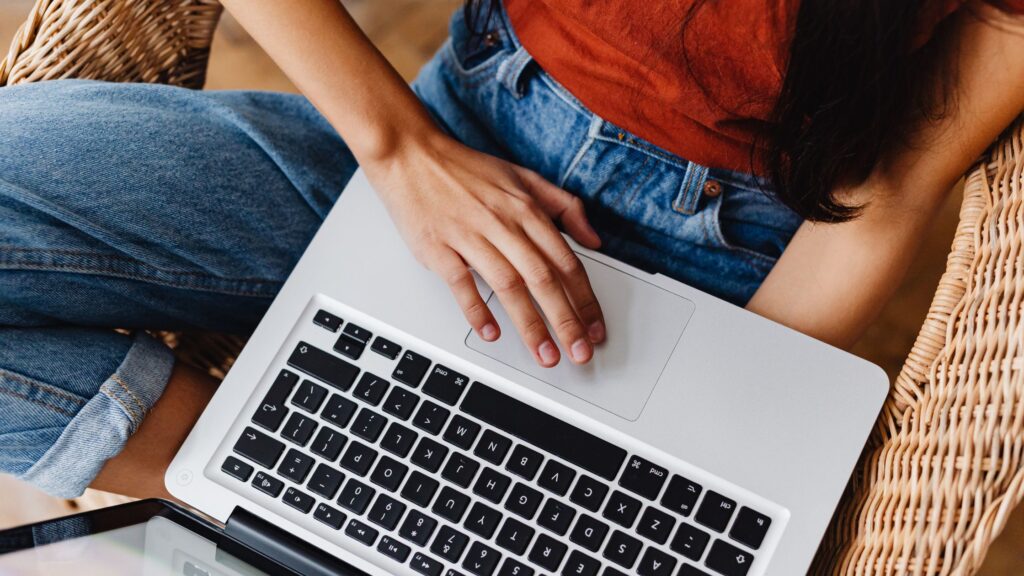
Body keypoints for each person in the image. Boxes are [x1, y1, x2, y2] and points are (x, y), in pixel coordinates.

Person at [0, 0, 1022, 500]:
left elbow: (885, 200)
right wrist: (402, 151)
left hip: (711, 262)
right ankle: (268, 494)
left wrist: (681, 439)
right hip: (440, 138)